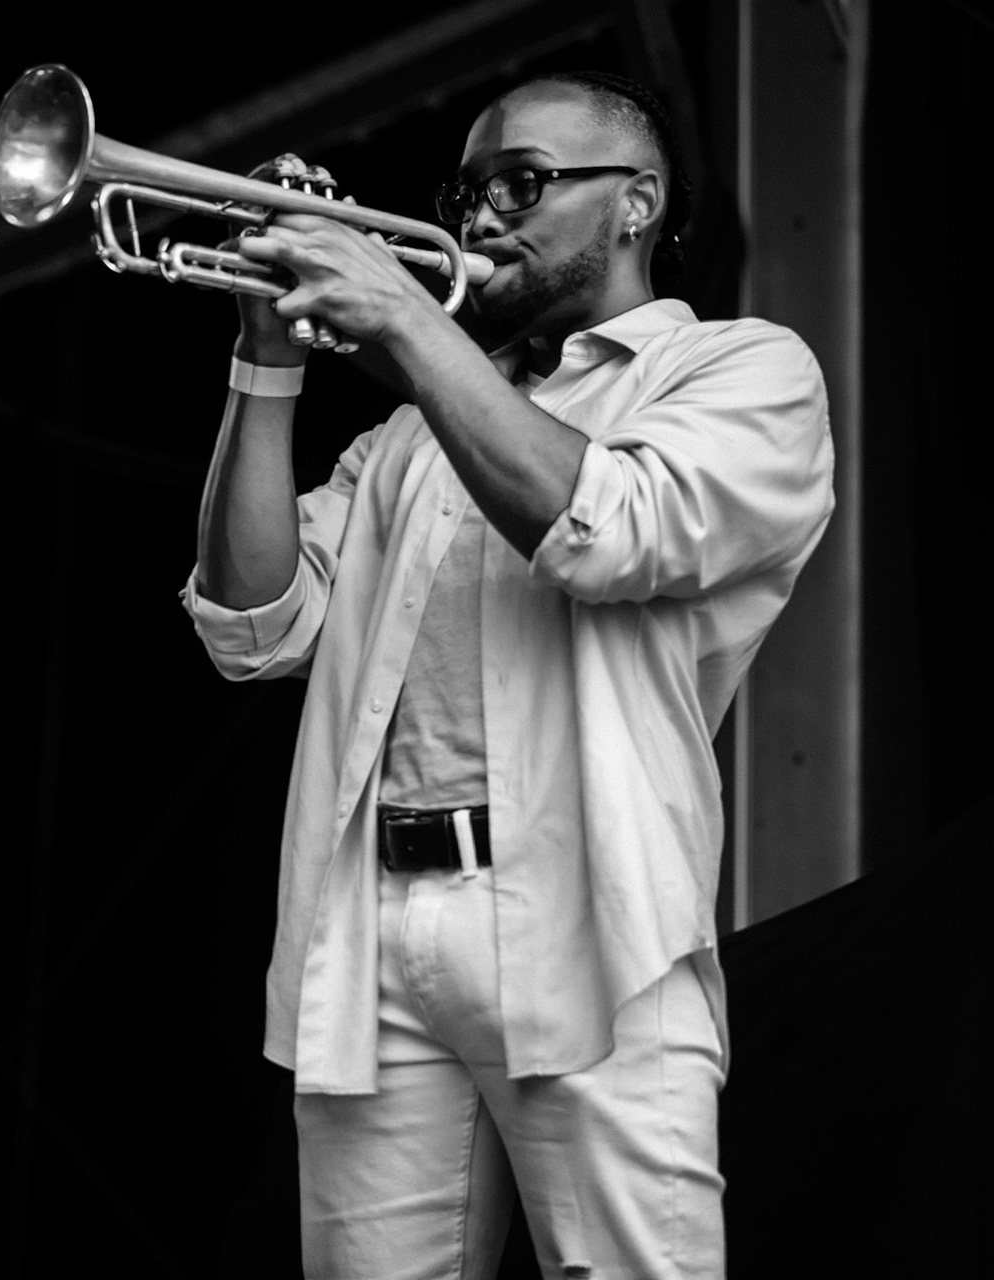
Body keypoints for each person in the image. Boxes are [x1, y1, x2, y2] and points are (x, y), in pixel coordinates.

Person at [182, 71, 834, 1278]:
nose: (480, 218)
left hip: (592, 918)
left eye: (523, 184)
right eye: (468, 189)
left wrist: (405, 321)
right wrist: (264, 365)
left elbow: (608, 529)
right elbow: (252, 621)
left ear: (635, 201)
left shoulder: (739, 370)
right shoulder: (413, 433)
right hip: (370, 927)